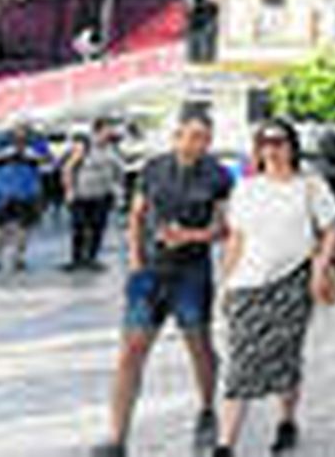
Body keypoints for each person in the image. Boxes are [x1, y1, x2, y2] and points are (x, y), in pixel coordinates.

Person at [95, 109, 233, 457]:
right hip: (150, 271)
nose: (198, 143)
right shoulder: (153, 168)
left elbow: (224, 229)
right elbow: (137, 214)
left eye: (204, 137)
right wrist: (135, 258)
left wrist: (191, 235)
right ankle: (116, 436)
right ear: (176, 137)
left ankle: (206, 407)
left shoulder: (218, 175)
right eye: (192, 135)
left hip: (192, 272)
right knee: (131, 351)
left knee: (198, 346)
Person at [214, 121, 335, 457]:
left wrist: (319, 270)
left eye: (278, 142)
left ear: (292, 146)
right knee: (240, 363)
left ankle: (286, 420)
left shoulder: (310, 186)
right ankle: (225, 444)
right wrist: (224, 284)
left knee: (286, 358)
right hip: (247, 284)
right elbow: (236, 239)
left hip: (292, 283)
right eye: (264, 142)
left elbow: (330, 230)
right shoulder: (246, 188)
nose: (271, 149)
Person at [62, 118, 127, 272]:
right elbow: (68, 169)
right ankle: (76, 258)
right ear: (97, 131)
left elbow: (119, 170)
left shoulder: (112, 149)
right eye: (107, 129)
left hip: (102, 194)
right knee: (79, 227)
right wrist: (69, 190)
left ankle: (92, 258)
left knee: (98, 227)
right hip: (82, 194)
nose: (110, 133)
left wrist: (118, 190)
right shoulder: (84, 146)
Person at [0, 130, 45, 272]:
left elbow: (48, 159)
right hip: (1, 193)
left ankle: (19, 258)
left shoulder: (35, 143)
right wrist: (6, 154)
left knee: (23, 228)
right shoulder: (0, 142)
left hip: (26, 192)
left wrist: (32, 155)